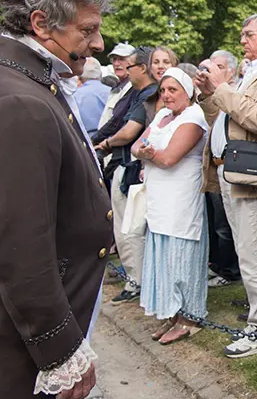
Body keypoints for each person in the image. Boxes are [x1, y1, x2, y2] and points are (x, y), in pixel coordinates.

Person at [0, 0, 114, 399]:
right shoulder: (18, 100)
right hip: (9, 337)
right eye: (87, 30)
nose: (98, 45)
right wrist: (60, 349)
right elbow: (17, 244)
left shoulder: (21, 78)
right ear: (40, 24)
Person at [196, 13, 257, 358]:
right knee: (245, 251)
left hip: (250, 172)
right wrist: (209, 94)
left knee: (254, 254)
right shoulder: (249, 73)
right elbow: (223, 120)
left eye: (248, 34)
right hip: (230, 171)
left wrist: (222, 90)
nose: (242, 40)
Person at [132, 68, 209, 344]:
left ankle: (189, 316)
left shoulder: (194, 117)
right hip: (159, 198)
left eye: (172, 90)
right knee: (163, 256)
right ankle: (172, 314)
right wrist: (147, 152)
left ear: (187, 92)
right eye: (163, 90)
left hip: (181, 198)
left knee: (181, 255)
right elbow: (136, 146)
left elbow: (169, 159)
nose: (165, 95)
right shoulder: (163, 116)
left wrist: (148, 153)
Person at [95, 48, 158, 304]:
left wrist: (105, 144)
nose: (126, 70)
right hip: (125, 164)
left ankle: (137, 282)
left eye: (129, 66)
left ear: (142, 68)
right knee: (126, 226)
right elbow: (116, 123)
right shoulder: (136, 93)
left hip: (131, 167)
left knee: (130, 227)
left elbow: (128, 131)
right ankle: (135, 278)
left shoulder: (148, 94)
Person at [201, 50, 241, 287]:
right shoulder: (219, 93)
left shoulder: (236, 93)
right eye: (209, 67)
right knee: (222, 224)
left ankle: (231, 271)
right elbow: (212, 119)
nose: (211, 72)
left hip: (235, 167)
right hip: (218, 167)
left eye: (218, 66)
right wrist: (206, 94)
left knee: (237, 229)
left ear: (231, 71)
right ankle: (225, 268)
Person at [75, 56, 110, 138]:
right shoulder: (112, 92)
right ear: (100, 73)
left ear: (80, 76)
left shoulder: (74, 95)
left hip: (85, 140)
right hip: (109, 142)